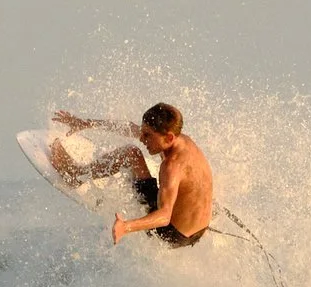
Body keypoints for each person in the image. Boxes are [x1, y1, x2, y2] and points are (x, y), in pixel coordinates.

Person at [48, 102, 213, 247]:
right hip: (198, 231)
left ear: (169, 137)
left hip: (170, 233)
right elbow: (130, 128)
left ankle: (75, 174)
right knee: (138, 167)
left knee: (131, 154)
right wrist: (86, 123)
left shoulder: (172, 166)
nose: (142, 139)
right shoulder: (181, 140)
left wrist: (125, 227)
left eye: (147, 135)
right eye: (143, 132)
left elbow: (164, 216)